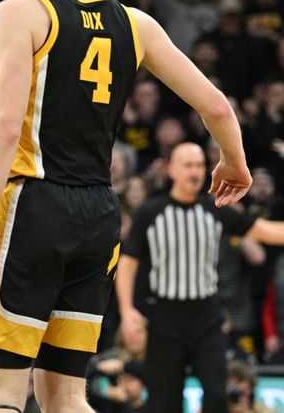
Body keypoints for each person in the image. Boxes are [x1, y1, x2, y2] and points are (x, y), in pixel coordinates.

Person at [0, 0, 252, 413]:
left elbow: (0, 128)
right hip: (98, 215)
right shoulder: (134, 22)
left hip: (32, 207)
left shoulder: (19, 13)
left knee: (0, 393)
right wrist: (234, 162)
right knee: (66, 396)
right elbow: (218, 108)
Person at [116, 143, 284, 413]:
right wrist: (126, 310)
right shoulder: (150, 213)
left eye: (199, 166)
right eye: (187, 165)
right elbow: (127, 264)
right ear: (171, 170)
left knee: (217, 396)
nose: (194, 171)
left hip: (206, 318)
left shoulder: (215, 210)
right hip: (165, 319)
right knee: (163, 404)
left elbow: (264, 230)